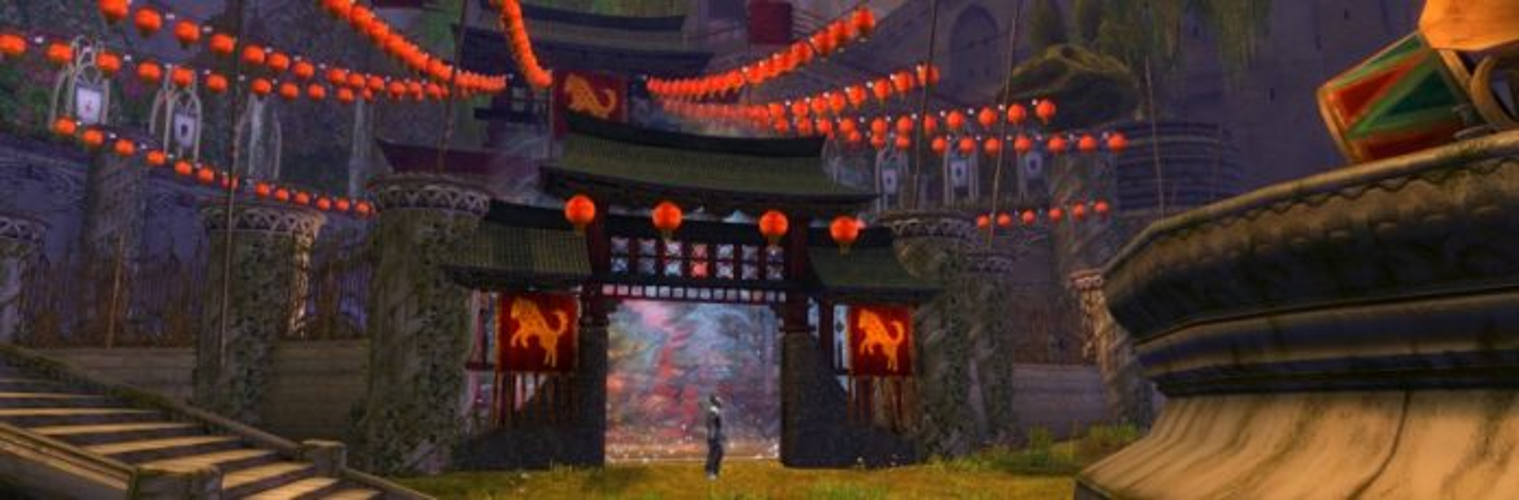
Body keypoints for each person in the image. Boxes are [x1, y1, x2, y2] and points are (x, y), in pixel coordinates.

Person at [704, 394, 725, 480]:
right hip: (714, 436)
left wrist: (721, 435)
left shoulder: (716, 411)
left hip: (716, 435)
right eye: (719, 400)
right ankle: (710, 472)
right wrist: (713, 434)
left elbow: (716, 424)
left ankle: (715, 471)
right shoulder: (713, 410)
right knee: (714, 453)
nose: (721, 401)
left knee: (719, 453)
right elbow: (710, 423)